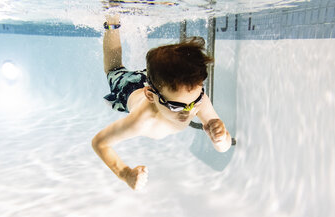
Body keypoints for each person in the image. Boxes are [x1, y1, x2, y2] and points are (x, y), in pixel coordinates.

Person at [92, 15, 232, 190]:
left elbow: (224, 148)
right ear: (150, 96)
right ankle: (112, 20)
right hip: (128, 88)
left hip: (162, 88)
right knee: (114, 69)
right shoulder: (141, 120)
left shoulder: (195, 99)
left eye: (195, 102)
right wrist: (125, 174)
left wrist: (221, 139)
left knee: (165, 81)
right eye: (176, 106)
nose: (188, 112)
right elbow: (99, 142)